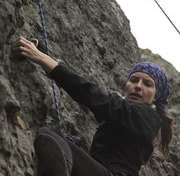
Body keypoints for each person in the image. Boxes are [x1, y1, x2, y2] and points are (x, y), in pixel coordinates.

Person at [11, 37, 174, 176]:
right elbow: (89, 100)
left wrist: (43, 59)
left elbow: (93, 96)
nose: (138, 86)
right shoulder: (125, 115)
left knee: (51, 136)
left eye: (147, 84)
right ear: (126, 85)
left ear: (155, 96)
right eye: (134, 80)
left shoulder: (145, 117)